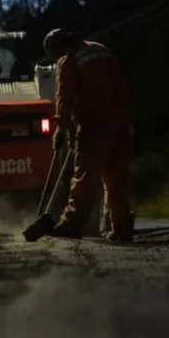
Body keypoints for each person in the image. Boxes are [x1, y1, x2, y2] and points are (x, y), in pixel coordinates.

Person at [42, 29, 134, 243]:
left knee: (85, 175)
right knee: (116, 179)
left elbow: (64, 96)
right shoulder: (101, 50)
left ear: (57, 48)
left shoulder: (68, 60)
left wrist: (61, 129)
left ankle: (72, 223)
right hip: (121, 122)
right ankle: (122, 227)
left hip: (95, 124)